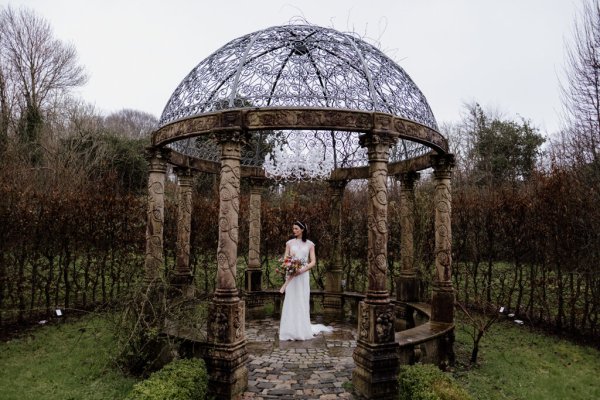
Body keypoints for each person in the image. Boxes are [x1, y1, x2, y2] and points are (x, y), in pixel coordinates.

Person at [279, 221, 333, 341]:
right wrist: (289, 266)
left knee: (301, 300)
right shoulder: (289, 243)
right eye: (293, 229)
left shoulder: (310, 244)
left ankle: (301, 329)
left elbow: (313, 261)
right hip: (292, 275)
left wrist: (302, 270)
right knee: (291, 300)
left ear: (302, 230)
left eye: (296, 229)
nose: (294, 231)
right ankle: (289, 330)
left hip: (302, 276)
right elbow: (285, 259)